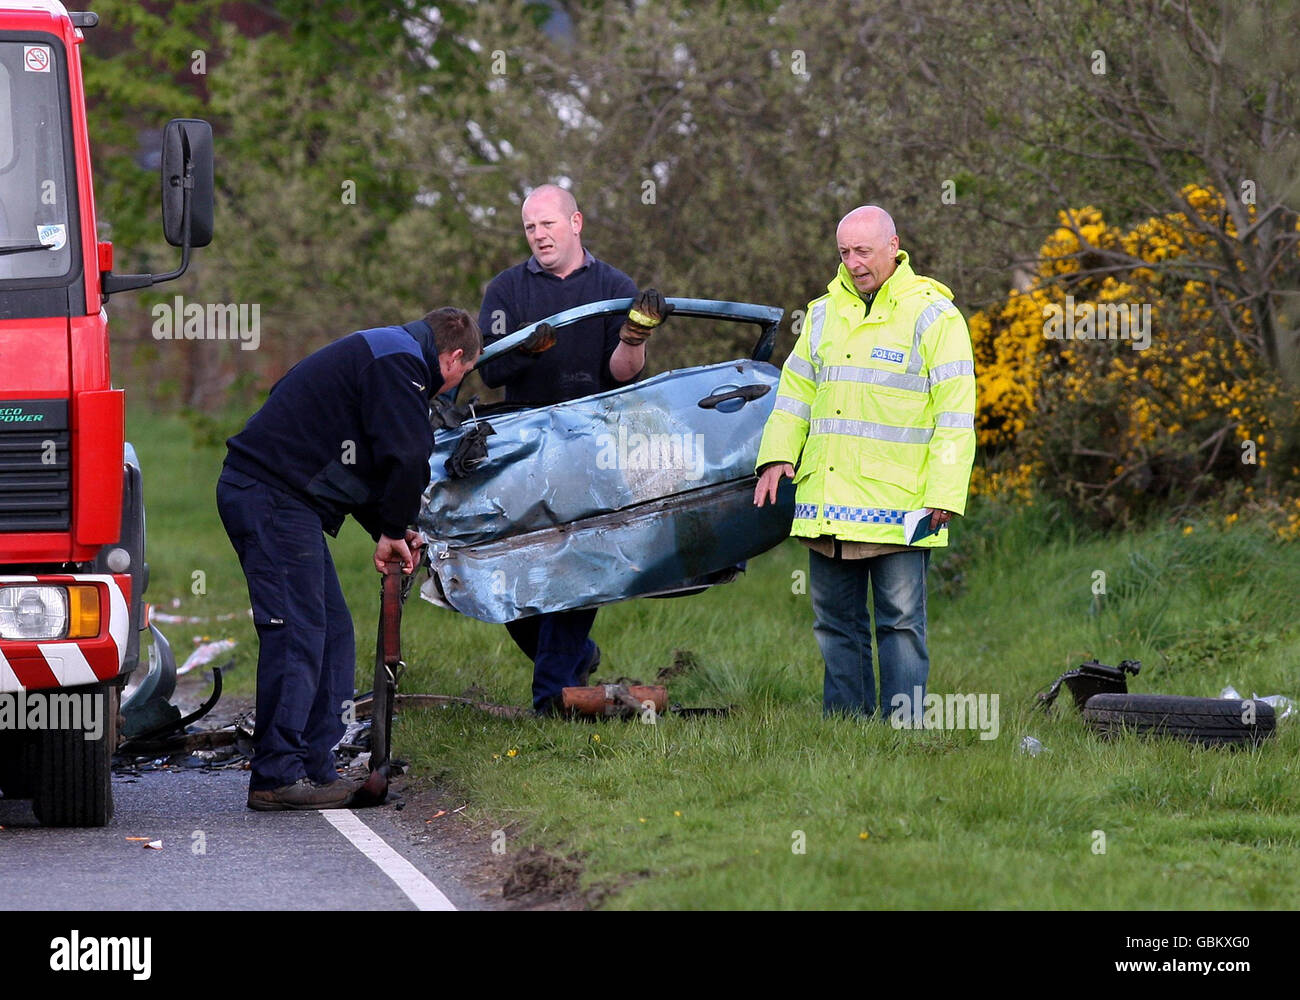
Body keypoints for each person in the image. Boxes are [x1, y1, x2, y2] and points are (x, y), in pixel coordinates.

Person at [218, 307, 480, 810]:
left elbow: (358, 466)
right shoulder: (398, 366)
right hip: (268, 496)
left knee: (333, 632)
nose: (453, 387)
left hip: (286, 500)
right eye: (462, 375)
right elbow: (405, 458)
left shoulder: (387, 354)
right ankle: (276, 776)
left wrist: (394, 530)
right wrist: (388, 530)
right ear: (453, 357)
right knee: (296, 633)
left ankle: (317, 768)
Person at [754, 205, 975, 722]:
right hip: (828, 500)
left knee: (899, 623)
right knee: (835, 622)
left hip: (903, 505)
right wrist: (776, 456)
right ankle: (847, 728)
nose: (853, 262)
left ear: (893, 246)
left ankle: (904, 729)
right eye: (844, 252)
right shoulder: (823, 314)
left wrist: (946, 493)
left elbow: (956, 413)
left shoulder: (934, 316)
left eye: (863, 251)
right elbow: (794, 397)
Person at [477, 183, 671, 714]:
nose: (539, 235)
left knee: (578, 568)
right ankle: (575, 656)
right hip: (526, 451)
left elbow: (623, 377)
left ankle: (552, 700)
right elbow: (490, 371)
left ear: (576, 222)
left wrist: (633, 339)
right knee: (513, 576)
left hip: (595, 448)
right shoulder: (506, 290)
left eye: (548, 224)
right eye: (530, 227)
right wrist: (523, 349)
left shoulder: (614, 285)